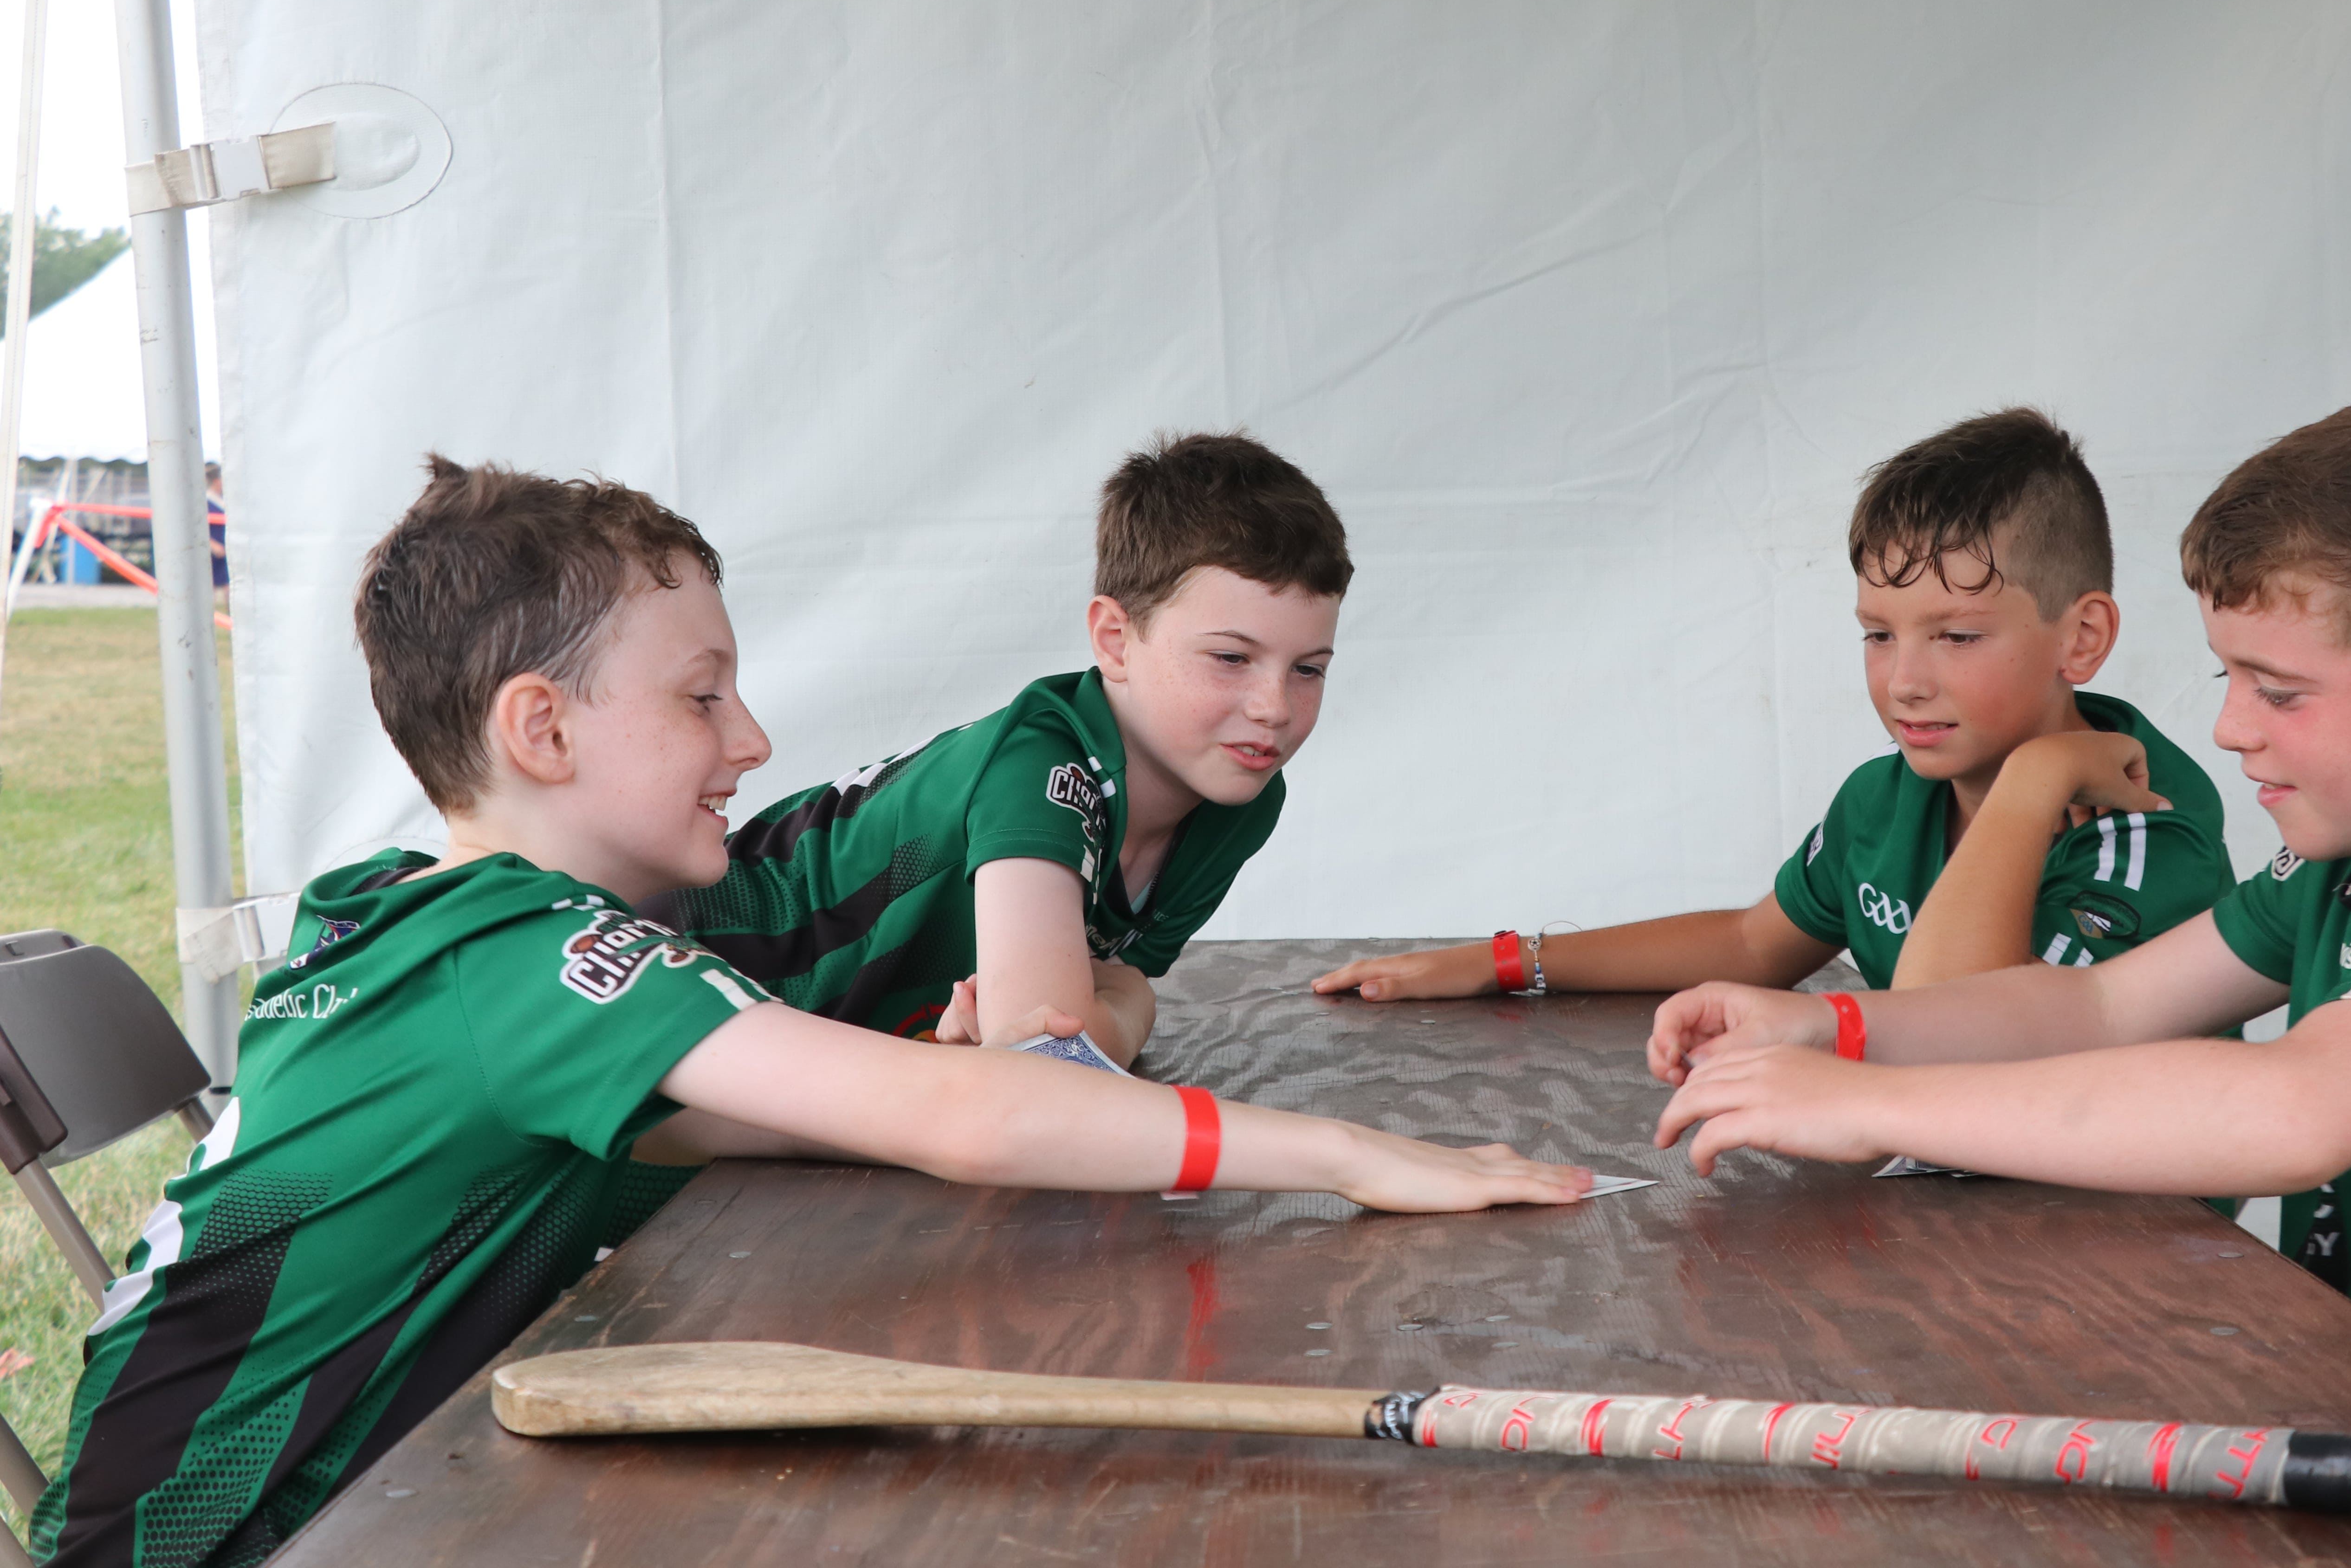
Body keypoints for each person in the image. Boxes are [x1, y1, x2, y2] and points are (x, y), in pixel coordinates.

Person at [33, 458, 1583, 1568]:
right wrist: (1347, 1153)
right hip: (244, 1535)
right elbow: (969, 1114)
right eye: (703, 696)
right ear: (542, 730)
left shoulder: (436, 925)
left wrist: (935, 1092)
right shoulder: (521, 960)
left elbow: (769, 1125)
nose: (755, 738)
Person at [1647, 383, 2351, 1496]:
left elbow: (2298, 1109)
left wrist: (1871, 1104)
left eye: (2279, 691)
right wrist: (1832, 1024)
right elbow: (2101, 1003)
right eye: (2229, 675)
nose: (2229, 726)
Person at [1313, 408, 2230, 1003]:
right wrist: (1507, 960)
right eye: (1879, 634)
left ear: (2082, 638)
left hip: (2121, 1241)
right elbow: (1755, 944)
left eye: (1956, 636)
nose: (1905, 680)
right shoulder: (1885, 798)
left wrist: (2034, 782)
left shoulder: (2148, 836)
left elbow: (1953, 1027)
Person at [656, 432, 1341, 1068]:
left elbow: (1046, 1036)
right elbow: (1052, 1053)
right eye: (1230, 658)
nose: (1275, 707)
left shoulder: (1241, 796)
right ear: (1114, 641)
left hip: (825, 1078)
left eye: (1308, 669)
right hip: (675, 969)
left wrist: (1047, 1025)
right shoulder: (1042, 768)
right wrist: (1134, 1008)